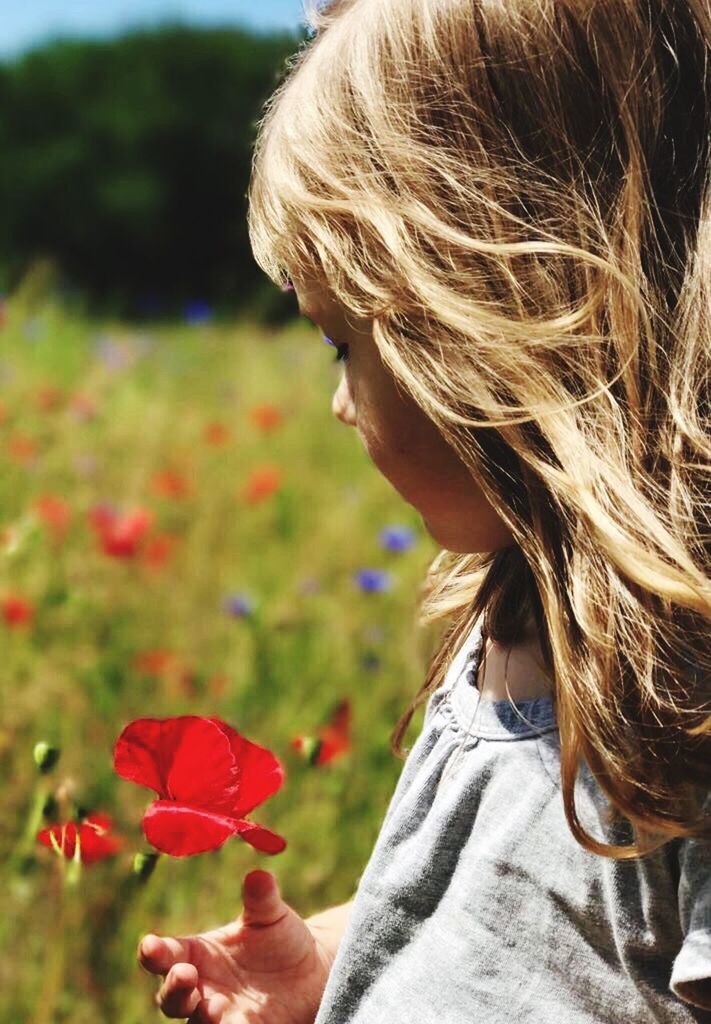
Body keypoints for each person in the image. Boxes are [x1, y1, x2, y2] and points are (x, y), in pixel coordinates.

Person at [137, 0, 711, 1019]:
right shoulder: (511, 603)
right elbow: (505, 918)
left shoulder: (685, 701)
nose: (338, 398)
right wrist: (341, 965)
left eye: (341, 341)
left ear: (494, 314)